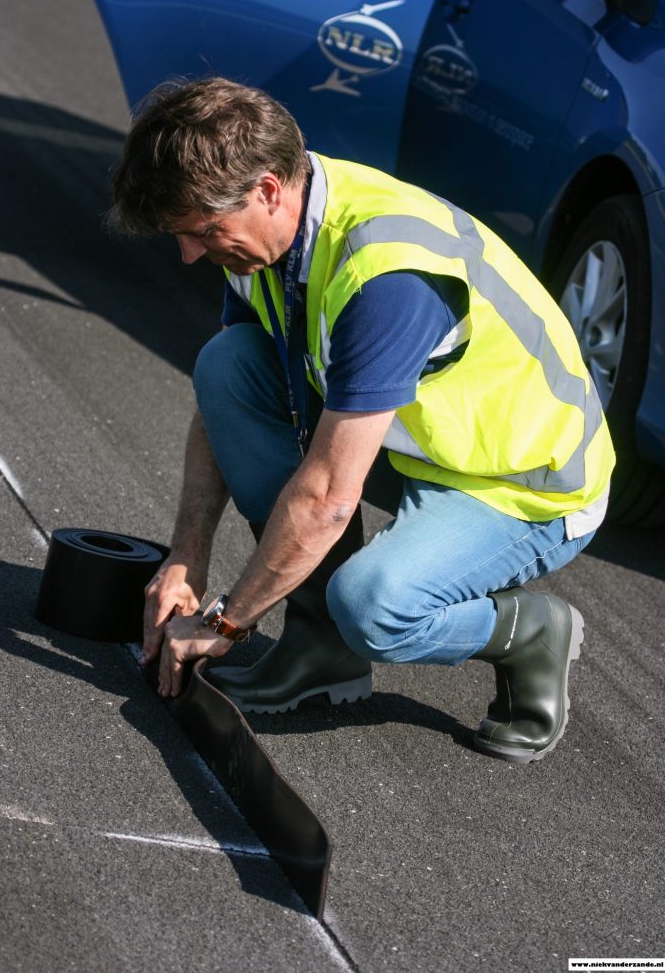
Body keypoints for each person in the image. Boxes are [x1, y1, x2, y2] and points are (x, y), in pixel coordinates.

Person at [110, 76, 615, 764]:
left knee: (374, 606)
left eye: (201, 232)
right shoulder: (273, 230)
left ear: (265, 190)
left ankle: (528, 631)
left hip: (523, 485)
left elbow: (325, 498)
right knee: (227, 363)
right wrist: (185, 555)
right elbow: (223, 401)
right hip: (412, 442)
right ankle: (320, 650)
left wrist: (227, 622)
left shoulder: (386, 276)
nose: (191, 254)